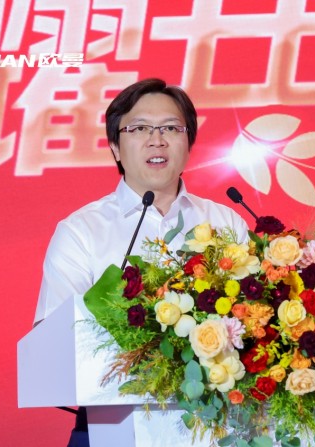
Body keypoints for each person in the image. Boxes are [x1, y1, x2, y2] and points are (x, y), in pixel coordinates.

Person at [33, 78, 249, 446]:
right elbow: (52, 342)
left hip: (217, 425)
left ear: (189, 143)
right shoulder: (81, 231)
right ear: (115, 147)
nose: (157, 139)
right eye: (139, 129)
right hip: (111, 428)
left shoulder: (226, 222)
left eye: (171, 128)